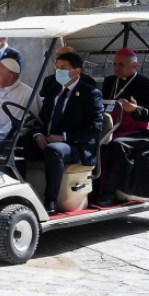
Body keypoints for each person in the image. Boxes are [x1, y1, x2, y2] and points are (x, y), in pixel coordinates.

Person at [22, 52, 104, 215]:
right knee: (19, 143)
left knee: (54, 150)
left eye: (63, 68)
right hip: (50, 139)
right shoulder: (54, 91)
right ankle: (20, 194)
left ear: (77, 71)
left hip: (76, 145)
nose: (59, 72)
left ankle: (50, 200)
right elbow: (41, 120)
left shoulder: (90, 93)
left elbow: (95, 128)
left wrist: (64, 137)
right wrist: (38, 135)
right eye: (57, 67)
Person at [91, 48, 149, 205]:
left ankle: (110, 193)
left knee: (117, 146)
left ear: (134, 66)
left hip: (139, 132)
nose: (116, 67)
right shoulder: (110, 81)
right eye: (115, 64)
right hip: (112, 128)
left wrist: (135, 109)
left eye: (121, 64)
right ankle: (91, 190)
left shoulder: (146, 84)